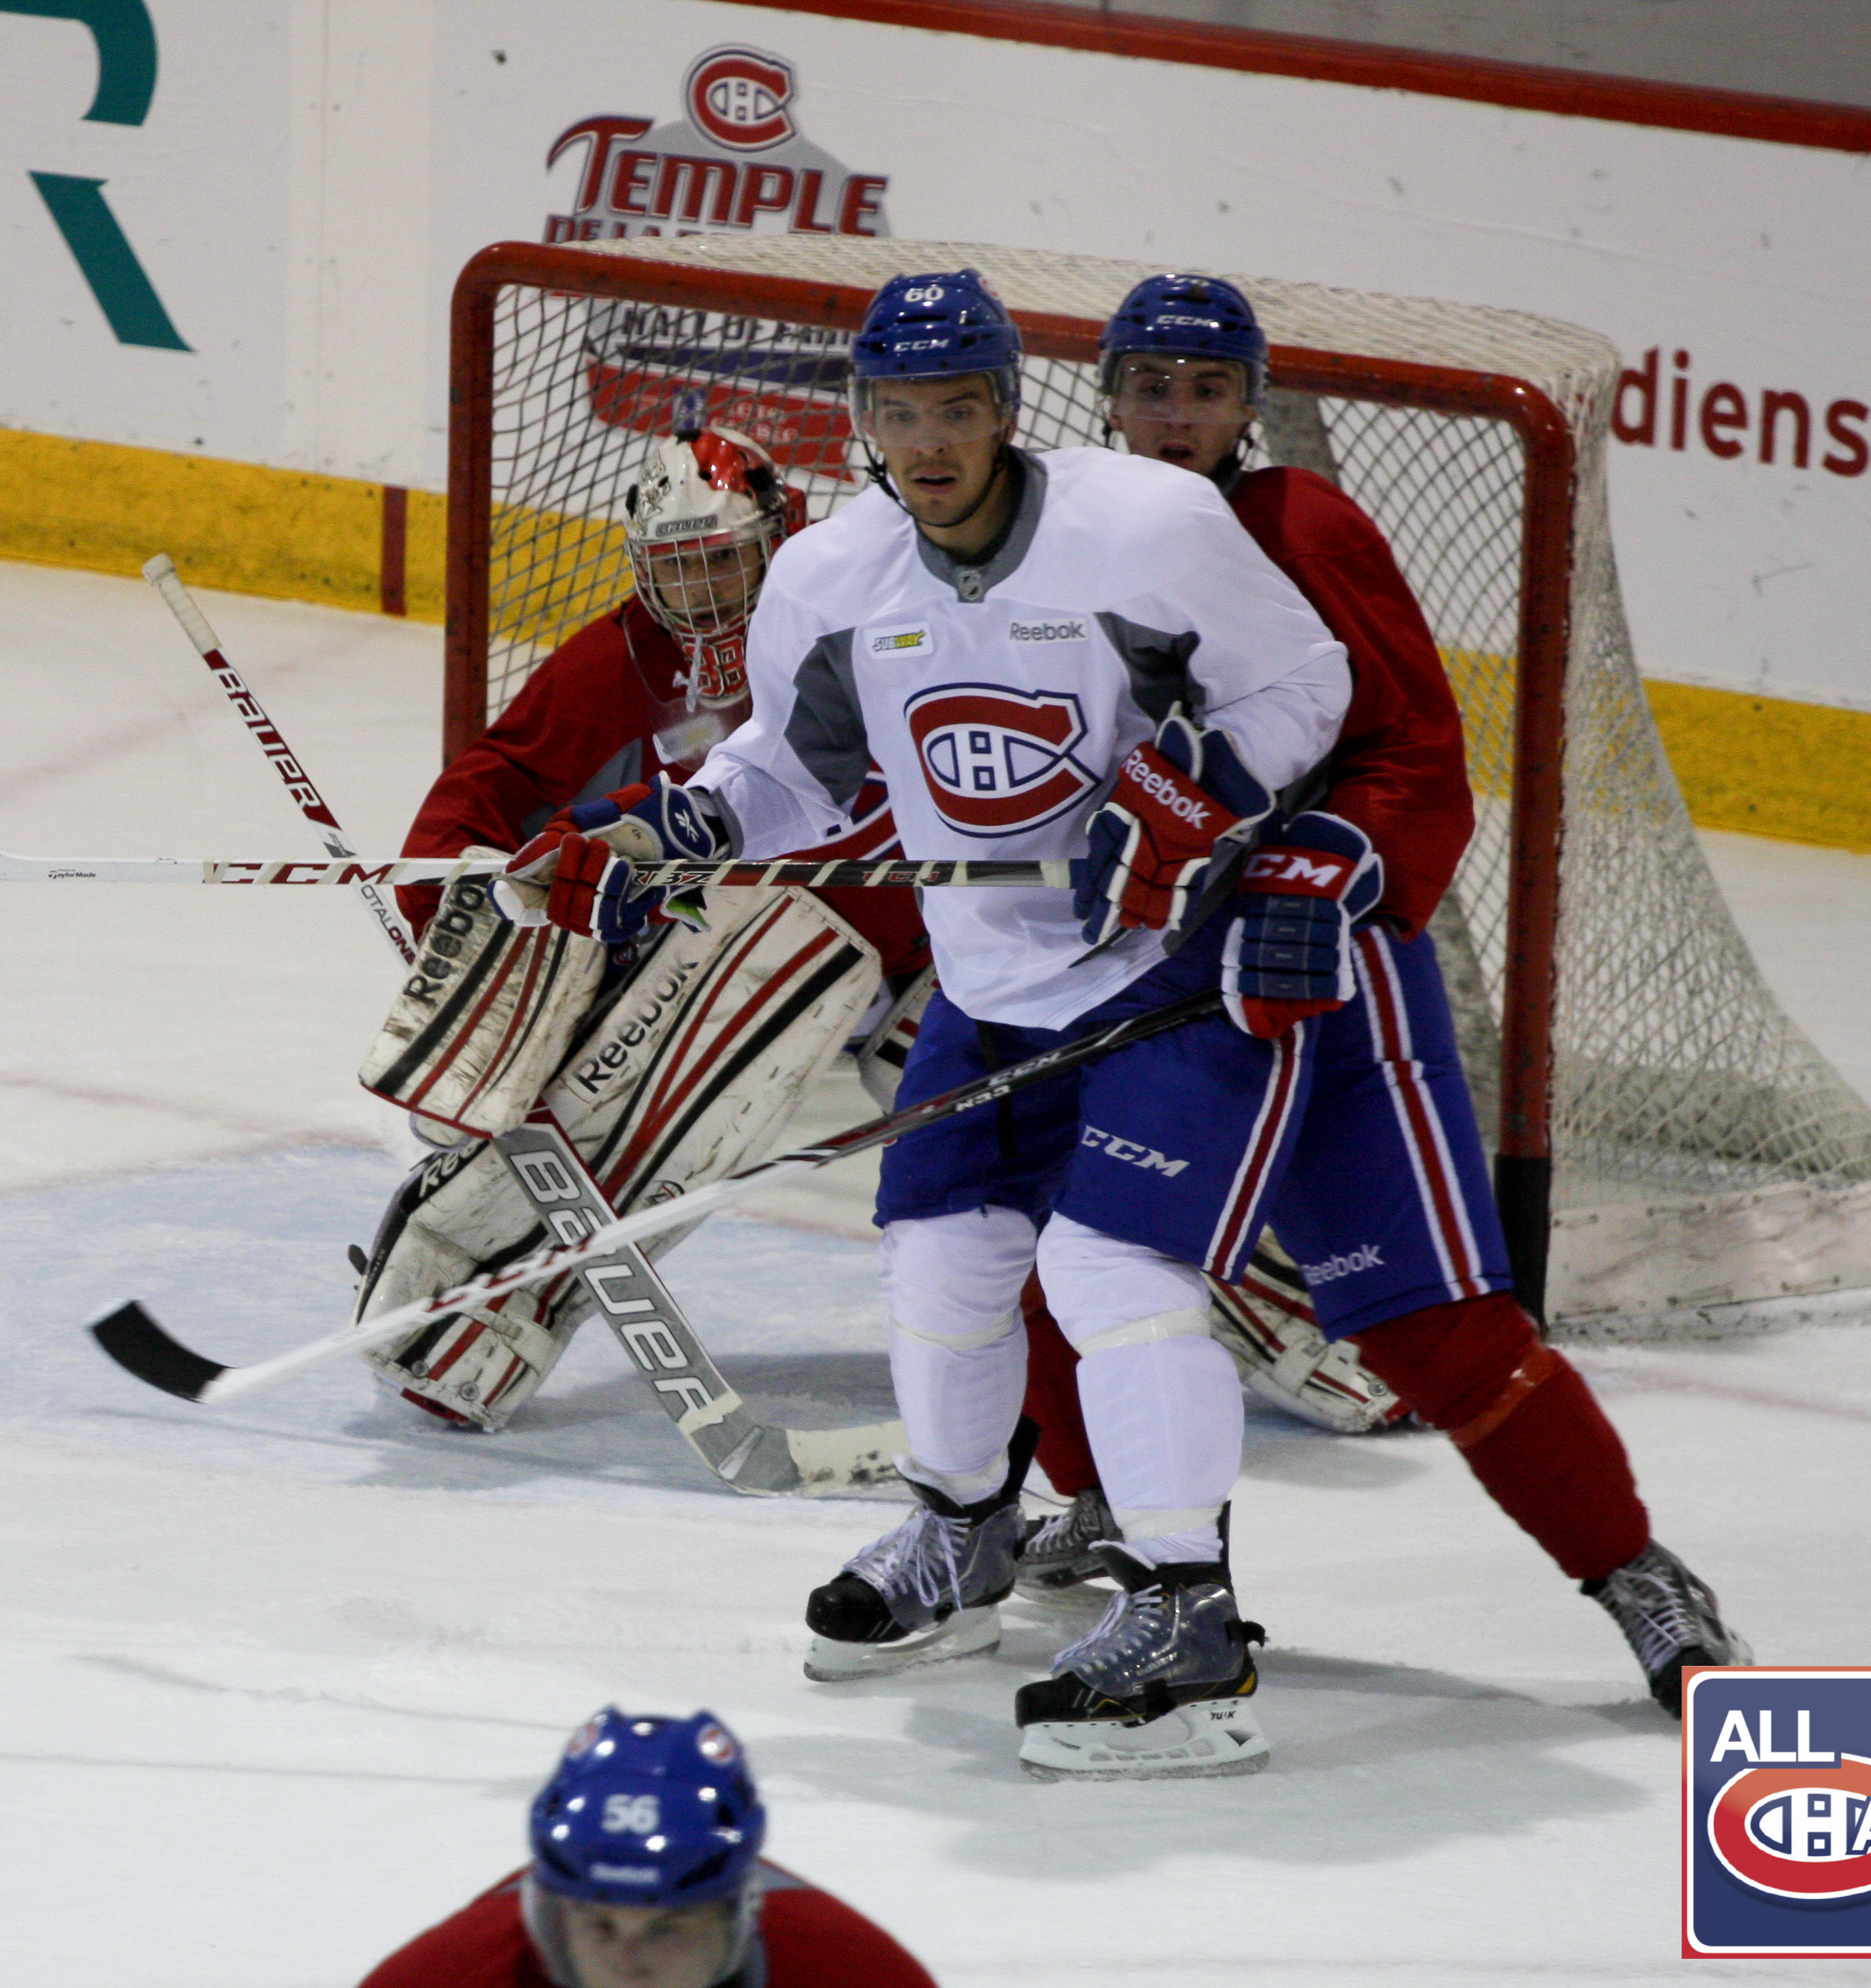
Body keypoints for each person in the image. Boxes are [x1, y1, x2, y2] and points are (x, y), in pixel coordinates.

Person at [498, 269, 1357, 1778]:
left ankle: (1187, 1618)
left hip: (1160, 979)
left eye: (956, 408)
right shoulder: (834, 576)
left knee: (1109, 1270)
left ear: (1008, 408)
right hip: (985, 984)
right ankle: (963, 1541)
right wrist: (677, 831)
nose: (930, 441)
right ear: (866, 421)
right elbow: (797, 770)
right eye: (899, 414)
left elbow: (1305, 685)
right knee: (944, 1261)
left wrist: (1183, 809)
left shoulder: (1145, 530)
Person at [1005, 274, 1750, 1715]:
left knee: (1428, 1327)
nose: (1175, 416)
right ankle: (1120, 1519)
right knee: (1072, 1252)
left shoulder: (1305, 527)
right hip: (1153, 985)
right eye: (1151, 386)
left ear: (1247, 406)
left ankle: (1635, 1572)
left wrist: (1323, 864)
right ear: (1103, 392)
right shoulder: (1054, 537)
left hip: (1327, 985)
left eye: (1206, 390)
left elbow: (1414, 749)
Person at [356, 407, 929, 1432]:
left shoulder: (863, 615)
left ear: (782, 537)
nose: (701, 591)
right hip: (767, 947)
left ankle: (1252, 1295)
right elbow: (498, 778)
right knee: (627, 1074)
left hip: (940, 948)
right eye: (678, 565)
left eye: (723, 559)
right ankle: (481, 1313)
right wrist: (450, 897)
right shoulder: (633, 653)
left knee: (1008, 1132)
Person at [358, 1707, 934, 1988]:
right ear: (553, 1918)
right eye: (599, 1925)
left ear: (735, 1916)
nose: (629, 1966)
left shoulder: (860, 1975)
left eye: (667, 1928)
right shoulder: (444, 1978)